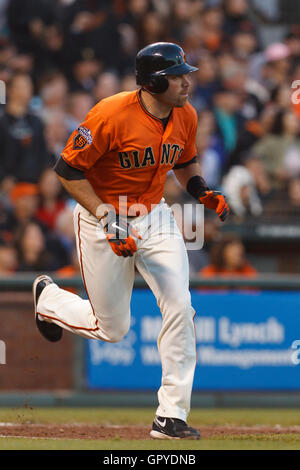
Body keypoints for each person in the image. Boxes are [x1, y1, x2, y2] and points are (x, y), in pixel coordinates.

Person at [32, 42, 229, 440]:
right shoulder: (110, 114)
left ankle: (170, 415)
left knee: (180, 304)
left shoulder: (186, 114)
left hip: (154, 216)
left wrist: (201, 190)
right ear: (155, 81)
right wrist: (106, 216)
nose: (186, 81)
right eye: (177, 75)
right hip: (102, 213)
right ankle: (49, 301)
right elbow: (67, 170)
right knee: (113, 329)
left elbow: (184, 161)